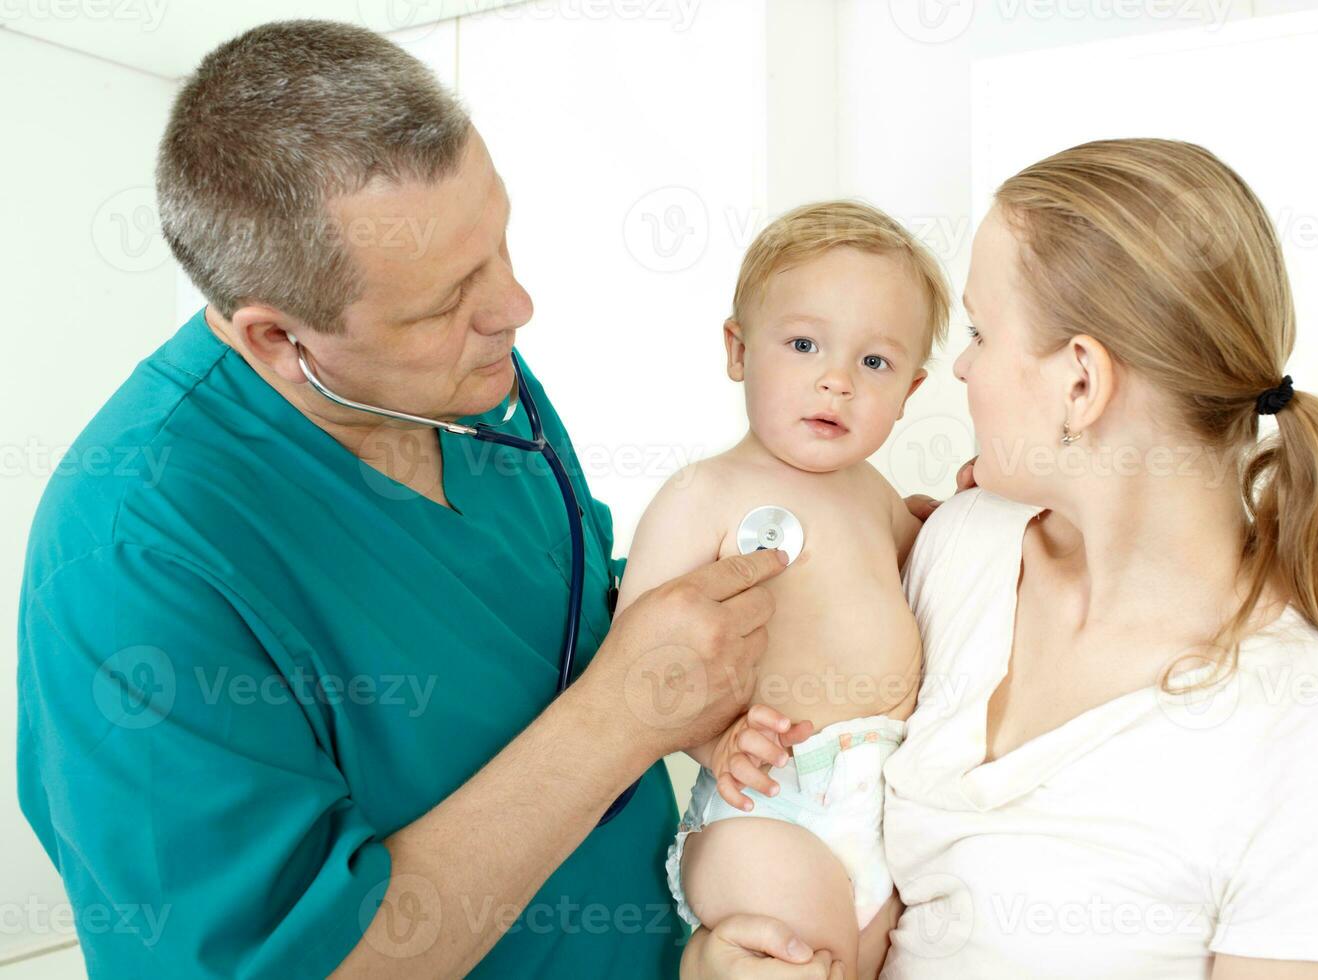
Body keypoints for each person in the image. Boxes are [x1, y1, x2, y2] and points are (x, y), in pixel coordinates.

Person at [17, 20, 902, 978]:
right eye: (447, 301)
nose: (515, 308)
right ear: (278, 340)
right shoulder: (134, 556)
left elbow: (529, 613)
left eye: (500, 245)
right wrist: (620, 716)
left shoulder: (471, 381)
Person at [686, 139, 1318, 979]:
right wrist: (716, 961)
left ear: (1080, 383)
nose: (958, 367)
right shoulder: (959, 553)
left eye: (984, 333)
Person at [614, 201, 948, 977]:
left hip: (879, 811)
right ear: (738, 349)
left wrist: (965, 509)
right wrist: (712, 741)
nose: (836, 381)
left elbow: (928, 572)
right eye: (803, 344)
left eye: (875, 363)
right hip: (767, 806)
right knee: (798, 962)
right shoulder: (704, 493)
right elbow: (635, 668)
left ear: (911, 389)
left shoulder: (874, 495)